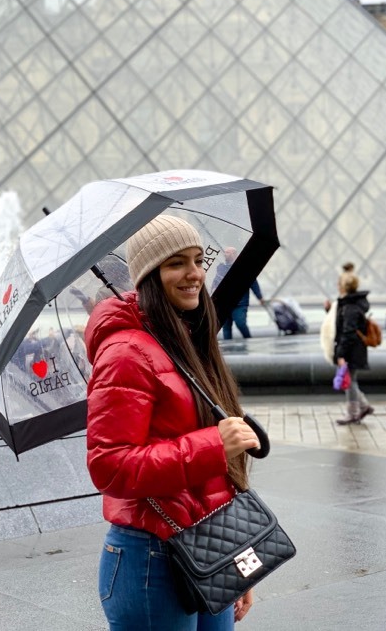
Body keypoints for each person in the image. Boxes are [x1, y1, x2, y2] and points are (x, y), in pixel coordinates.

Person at [84, 215, 259, 630]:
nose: (194, 274)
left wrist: (239, 561)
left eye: (198, 260)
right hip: (150, 559)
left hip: (209, 544)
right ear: (148, 275)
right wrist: (214, 444)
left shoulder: (182, 340)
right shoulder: (126, 352)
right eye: (176, 263)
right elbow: (109, 465)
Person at [334, 270, 374, 425]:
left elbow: (348, 332)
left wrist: (341, 354)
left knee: (348, 381)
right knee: (351, 380)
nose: (337, 286)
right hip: (357, 348)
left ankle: (352, 413)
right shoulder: (355, 304)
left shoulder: (350, 307)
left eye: (339, 284)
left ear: (344, 287)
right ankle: (364, 406)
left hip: (351, 350)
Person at [213, 247, 265, 349]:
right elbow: (216, 280)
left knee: (240, 322)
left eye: (228, 252)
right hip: (224, 303)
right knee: (226, 327)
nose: (225, 254)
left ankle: (248, 339)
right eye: (225, 252)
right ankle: (228, 349)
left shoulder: (244, 266)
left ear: (234, 254)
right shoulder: (221, 267)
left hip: (240, 302)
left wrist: (260, 297)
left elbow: (253, 282)